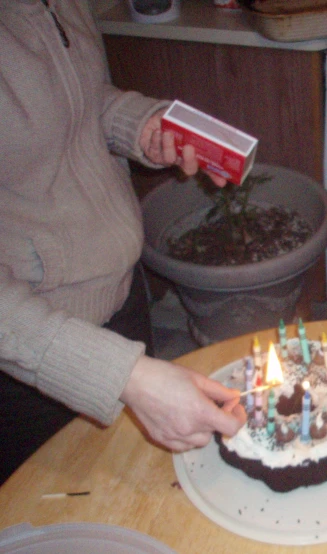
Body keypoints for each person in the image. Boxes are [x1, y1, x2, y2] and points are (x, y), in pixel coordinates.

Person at [0, 0, 246, 484]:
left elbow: (80, 97)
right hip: (26, 352)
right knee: (56, 501)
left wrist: (141, 126)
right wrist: (124, 377)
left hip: (121, 295)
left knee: (131, 481)